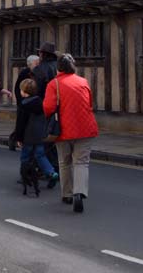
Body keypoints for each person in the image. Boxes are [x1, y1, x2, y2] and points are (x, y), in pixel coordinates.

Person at [44, 54, 98, 213]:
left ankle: (67, 194)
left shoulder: (54, 84)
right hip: (86, 128)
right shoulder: (83, 81)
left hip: (63, 129)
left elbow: (47, 108)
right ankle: (79, 193)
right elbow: (89, 103)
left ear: (58, 67)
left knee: (64, 161)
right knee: (81, 162)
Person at [14, 78, 59, 186]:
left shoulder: (23, 105)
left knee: (25, 156)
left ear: (24, 91)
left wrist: (18, 138)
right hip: (39, 134)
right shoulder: (40, 102)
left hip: (28, 136)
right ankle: (52, 173)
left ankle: (25, 176)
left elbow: (21, 123)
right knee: (40, 156)